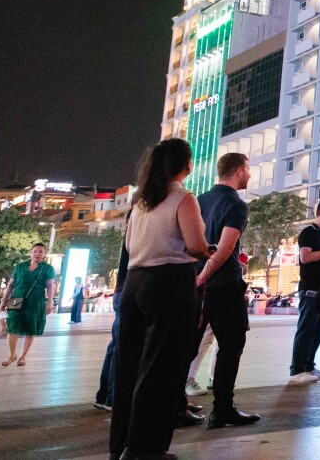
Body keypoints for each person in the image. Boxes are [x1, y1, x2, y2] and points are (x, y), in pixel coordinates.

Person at [108, 138, 213, 460]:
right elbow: (195, 245)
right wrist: (211, 251)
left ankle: (121, 445)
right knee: (161, 370)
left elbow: (128, 247)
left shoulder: (141, 200)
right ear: (185, 164)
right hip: (169, 284)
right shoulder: (182, 197)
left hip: (136, 284)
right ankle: (146, 449)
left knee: (129, 367)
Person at [193, 152, 260, 427]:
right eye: (248, 170)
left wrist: (196, 277)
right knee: (231, 345)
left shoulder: (199, 200)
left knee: (189, 345)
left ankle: (175, 405)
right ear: (239, 171)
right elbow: (225, 248)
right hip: (222, 285)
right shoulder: (236, 204)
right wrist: (204, 276)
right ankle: (222, 409)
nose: (250, 175)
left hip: (198, 284)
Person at [288, 198, 320, 383]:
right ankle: (297, 370)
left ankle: (309, 366)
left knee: (318, 331)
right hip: (310, 289)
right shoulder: (309, 232)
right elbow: (305, 257)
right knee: (306, 330)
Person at [94, 218, 131, 411]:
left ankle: (104, 396)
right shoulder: (138, 229)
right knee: (122, 346)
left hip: (121, 291)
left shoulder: (131, 231)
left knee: (116, 345)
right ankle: (112, 398)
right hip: (129, 291)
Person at [0, 243, 57, 366]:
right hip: (16, 299)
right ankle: (12, 355)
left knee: (31, 329)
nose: (37, 254)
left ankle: (22, 357)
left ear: (44, 254)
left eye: (41, 251)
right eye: (35, 251)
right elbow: (10, 284)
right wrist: (3, 301)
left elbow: (50, 286)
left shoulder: (47, 268)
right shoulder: (20, 267)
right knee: (12, 327)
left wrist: (50, 301)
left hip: (36, 301)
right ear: (30, 252)